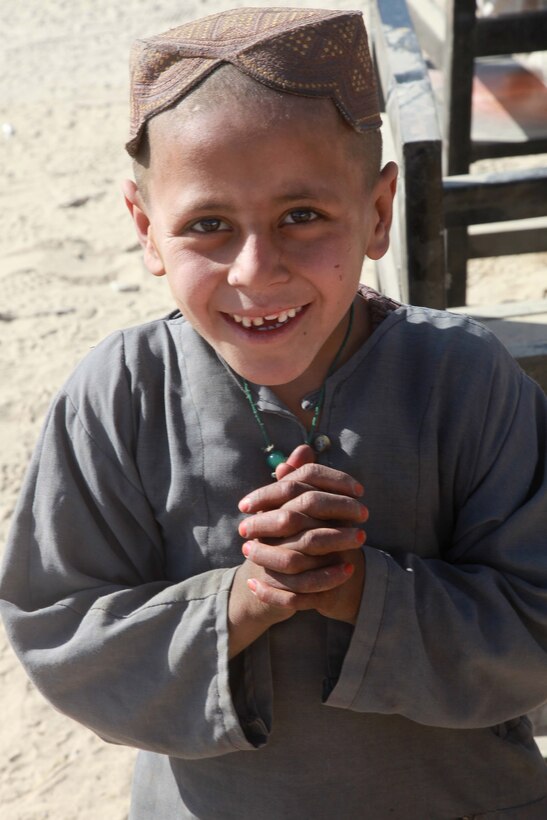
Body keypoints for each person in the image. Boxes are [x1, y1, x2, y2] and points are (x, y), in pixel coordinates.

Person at [2, 7, 547, 818]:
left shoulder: (463, 381)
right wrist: (245, 598)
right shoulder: (120, 396)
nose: (256, 271)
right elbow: (61, 632)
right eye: (208, 225)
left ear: (377, 210)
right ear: (147, 229)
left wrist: (366, 593)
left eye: (302, 216)